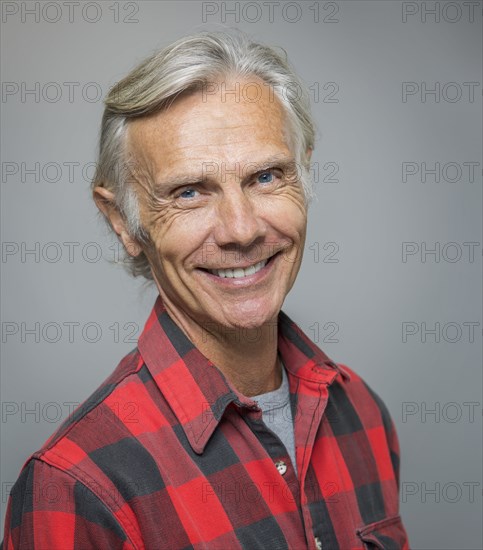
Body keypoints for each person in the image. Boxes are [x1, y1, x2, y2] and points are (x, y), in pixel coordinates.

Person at [2, 31, 409, 549]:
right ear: (123, 223)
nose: (241, 230)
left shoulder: (362, 415)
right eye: (189, 192)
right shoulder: (76, 487)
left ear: (304, 174)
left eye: (265, 177)